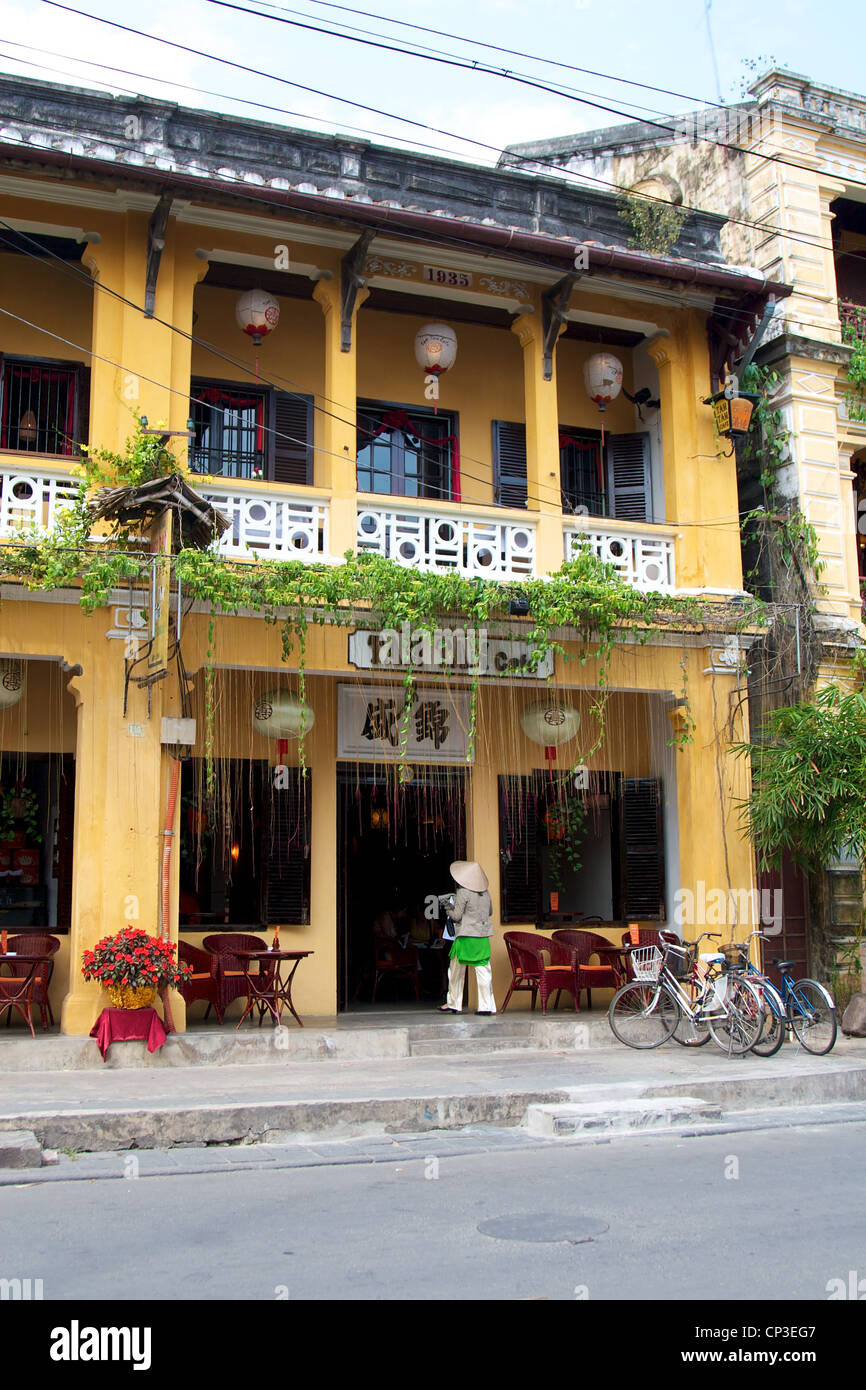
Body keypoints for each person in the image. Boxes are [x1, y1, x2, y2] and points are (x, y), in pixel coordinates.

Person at [439, 860, 496, 1015]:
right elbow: (490, 912)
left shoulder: (463, 892)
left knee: (456, 970)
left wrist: (448, 908)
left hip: (466, 937)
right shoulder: (486, 893)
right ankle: (486, 1006)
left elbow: (456, 916)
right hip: (482, 936)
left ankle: (454, 1003)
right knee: (483, 971)